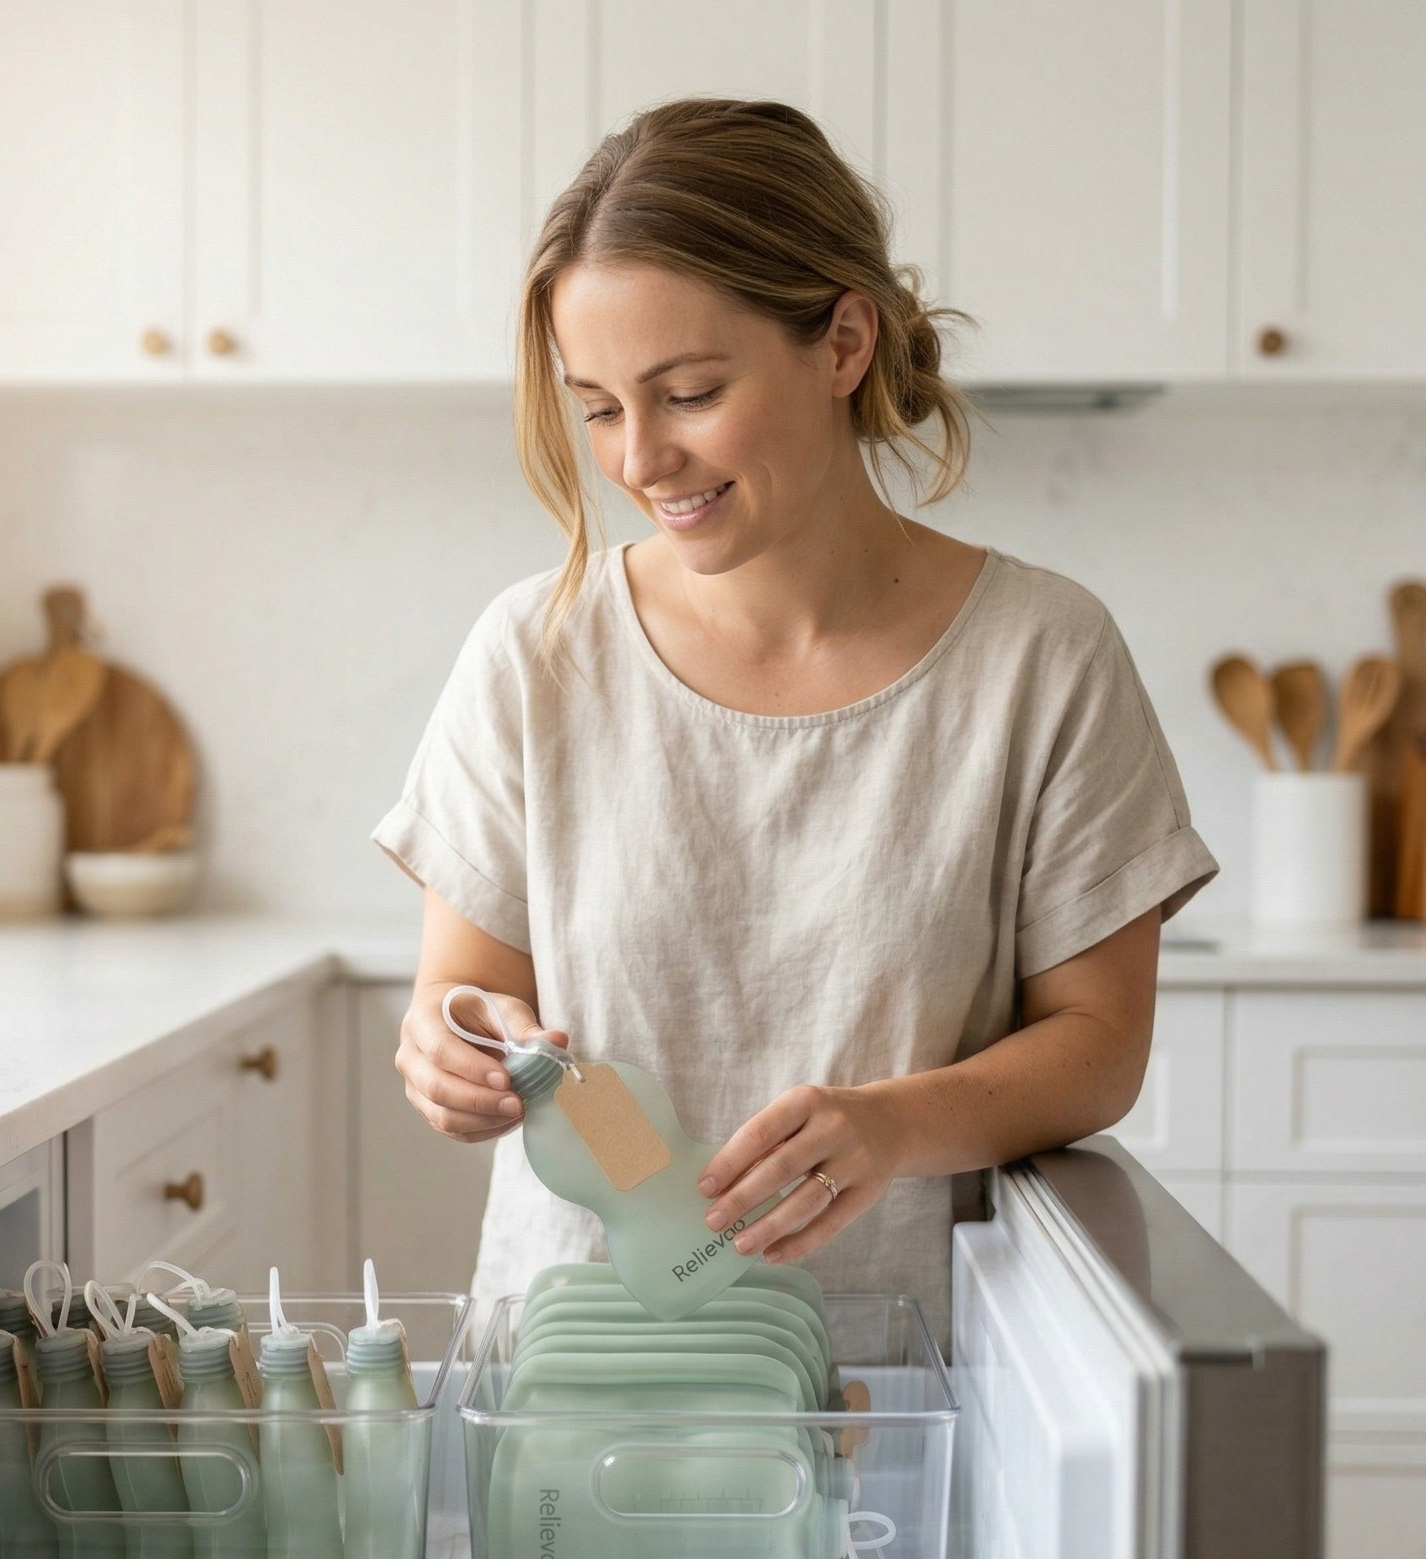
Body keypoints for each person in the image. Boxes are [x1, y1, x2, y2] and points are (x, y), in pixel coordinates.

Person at [373, 98, 1217, 1329]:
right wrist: (450, 1054)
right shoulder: (535, 654)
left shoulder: (1040, 658)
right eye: (601, 406)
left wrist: (891, 1125)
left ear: (842, 344)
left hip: (898, 1378)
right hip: (581, 1374)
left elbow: (1100, 1043)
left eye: (692, 392)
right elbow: (463, 992)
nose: (639, 459)